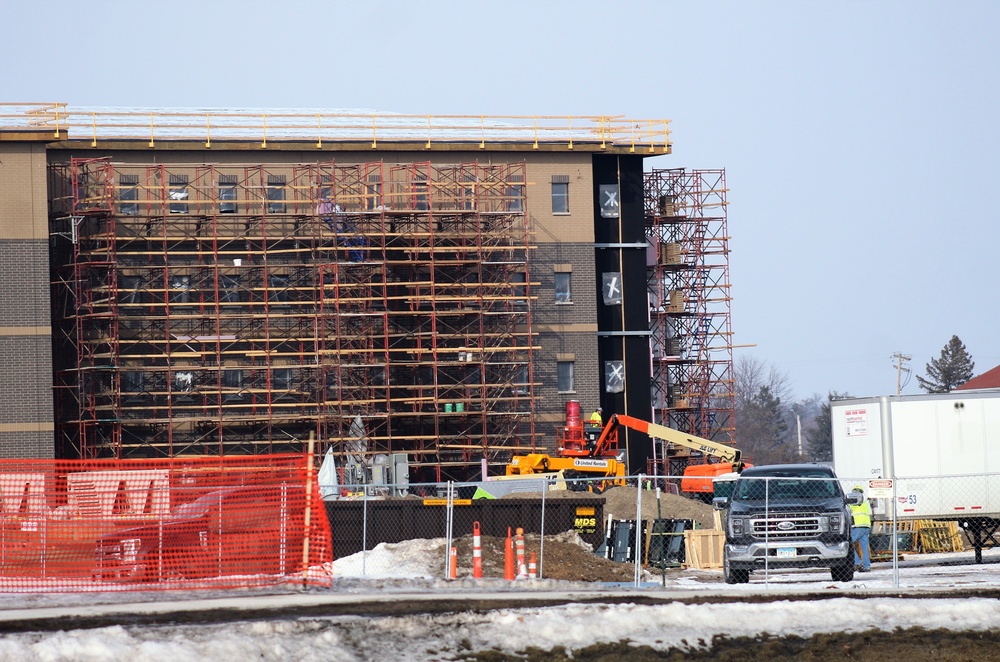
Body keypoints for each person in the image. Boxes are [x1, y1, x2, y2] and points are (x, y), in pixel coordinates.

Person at [849, 485, 872, 572]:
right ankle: (867, 566)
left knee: (848, 544)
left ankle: (857, 562)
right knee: (865, 548)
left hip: (857, 527)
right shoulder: (865, 502)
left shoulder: (852, 502)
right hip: (866, 527)